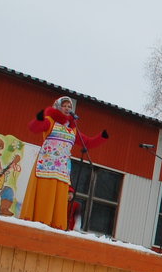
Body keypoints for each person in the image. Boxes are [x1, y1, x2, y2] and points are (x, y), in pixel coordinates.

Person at [21, 96, 107, 229]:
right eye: (64, 105)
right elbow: (35, 128)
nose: (67, 108)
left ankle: (55, 225)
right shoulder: (50, 121)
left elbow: (87, 142)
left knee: (59, 198)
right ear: (58, 106)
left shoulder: (72, 129)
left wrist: (102, 137)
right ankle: (39, 221)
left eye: (69, 106)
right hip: (47, 166)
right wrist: (38, 119)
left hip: (61, 168)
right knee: (45, 194)